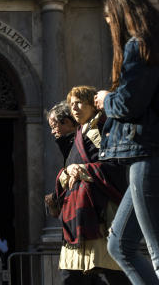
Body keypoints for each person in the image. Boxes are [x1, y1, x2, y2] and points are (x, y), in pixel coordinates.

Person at [93, 0, 159, 285]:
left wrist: (104, 100)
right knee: (120, 244)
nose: (109, 25)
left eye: (110, 18)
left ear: (123, 16)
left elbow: (128, 103)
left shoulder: (140, 46)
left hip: (151, 157)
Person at [55, 87, 127, 285]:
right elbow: (68, 169)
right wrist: (68, 172)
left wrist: (83, 170)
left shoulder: (103, 130)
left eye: (80, 102)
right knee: (71, 277)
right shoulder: (78, 134)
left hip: (98, 215)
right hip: (76, 217)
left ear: (93, 105)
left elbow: (116, 167)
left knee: (108, 274)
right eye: (71, 104)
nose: (75, 108)